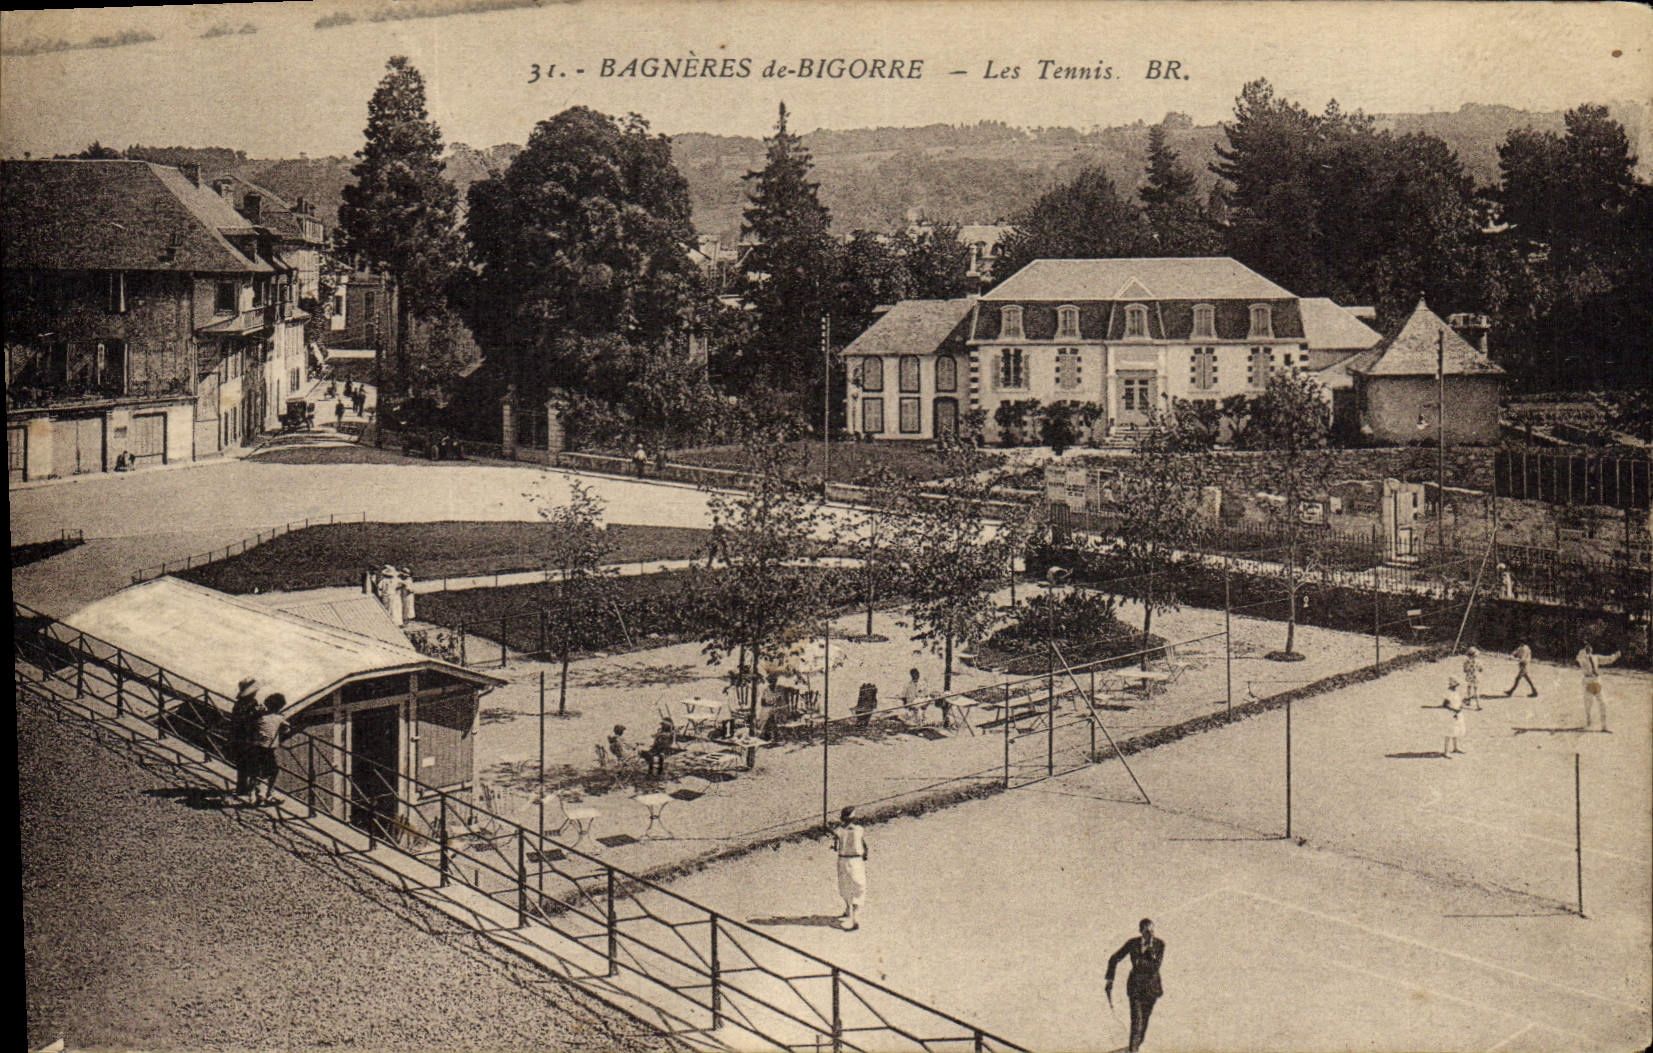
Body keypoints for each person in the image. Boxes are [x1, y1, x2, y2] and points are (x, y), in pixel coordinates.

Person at [1105, 918, 1166, 1053]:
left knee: (1143, 1025)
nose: (1150, 935)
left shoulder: (1159, 944)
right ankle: (1133, 1050)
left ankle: (1134, 1048)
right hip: (1135, 989)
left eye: (1152, 931)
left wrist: (1140, 961)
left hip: (1151, 990)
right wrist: (1110, 980)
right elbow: (1114, 958)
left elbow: (1155, 967)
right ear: (1141, 931)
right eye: (1147, 932)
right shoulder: (1133, 943)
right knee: (1136, 1023)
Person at [829, 806, 868, 931]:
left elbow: (836, 846)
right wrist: (865, 854)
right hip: (856, 860)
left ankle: (847, 909)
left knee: (845, 885)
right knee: (858, 887)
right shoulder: (859, 829)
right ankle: (855, 917)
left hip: (844, 860)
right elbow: (864, 846)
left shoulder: (839, 831)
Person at [252, 693, 291, 805]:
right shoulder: (279, 718)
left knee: (259, 771)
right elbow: (286, 730)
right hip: (268, 749)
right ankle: (268, 795)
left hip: (256, 747)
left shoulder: (260, 717)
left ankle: (259, 795)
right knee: (272, 771)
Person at [229, 676, 262, 802]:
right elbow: (242, 721)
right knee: (248, 765)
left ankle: (244, 789)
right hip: (245, 738)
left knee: (244, 765)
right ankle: (246, 791)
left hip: (243, 738)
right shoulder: (246, 704)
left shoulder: (244, 703)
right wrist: (257, 714)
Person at [1576, 642, 1620, 732]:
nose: (1589, 648)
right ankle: (1589, 719)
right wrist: (1584, 651)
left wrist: (1615, 655)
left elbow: (1607, 659)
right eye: (1587, 647)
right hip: (1588, 681)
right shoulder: (1582, 657)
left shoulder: (1596, 657)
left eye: (1590, 646)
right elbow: (1578, 658)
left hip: (1596, 681)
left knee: (1603, 703)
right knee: (1588, 704)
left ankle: (1604, 726)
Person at [1442, 678, 1466, 757]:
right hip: (1451, 714)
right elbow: (1445, 705)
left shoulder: (1456, 692)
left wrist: (1460, 706)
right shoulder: (1448, 693)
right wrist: (1454, 710)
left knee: (1457, 730)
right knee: (1449, 732)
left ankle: (1455, 747)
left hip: (1458, 713)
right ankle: (1446, 751)